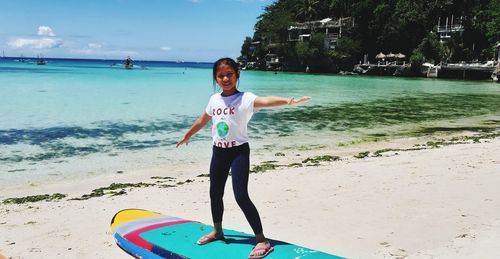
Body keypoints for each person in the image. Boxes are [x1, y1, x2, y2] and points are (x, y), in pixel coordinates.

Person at [177, 57, 310, 258]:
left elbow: (266, 101)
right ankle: (217, 231)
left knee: (241, 196)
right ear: (215, 78)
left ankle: (262, 240)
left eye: (229, 74)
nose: (225, 78)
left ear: (237, 74)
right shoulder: (214, 99)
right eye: (220, 75)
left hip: (238, 152)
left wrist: (288, 101)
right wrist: (188, 135)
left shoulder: (245, 98)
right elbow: (203, 119)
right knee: (215, 193)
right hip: (218, 151)